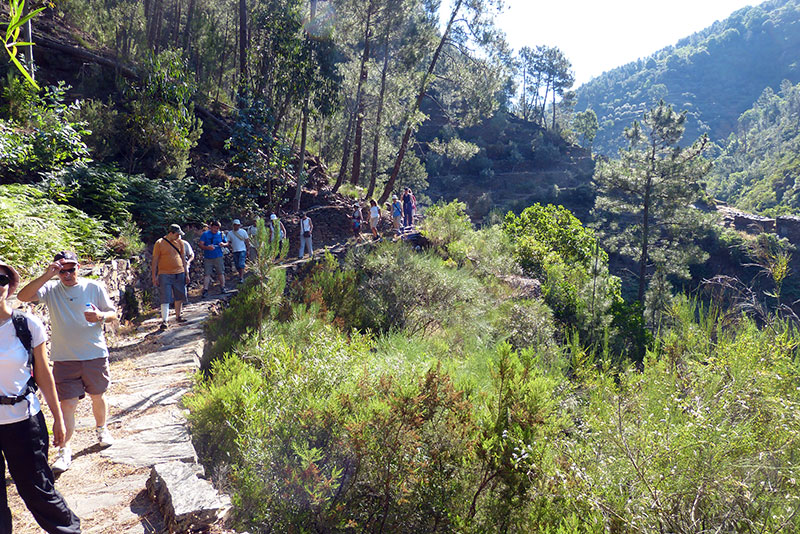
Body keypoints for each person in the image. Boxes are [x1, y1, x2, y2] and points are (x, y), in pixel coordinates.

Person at [0, 259, 82, 533]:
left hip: (23, 421)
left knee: (37, 488)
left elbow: (44, 375)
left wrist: (58, 419)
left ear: (9, 287)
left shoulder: (26, 325)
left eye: (1, 280)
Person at [17, 251, 117, 475]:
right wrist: (46, 275)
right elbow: (23, 297)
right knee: (67, 405)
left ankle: (102, 430)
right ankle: (65, 450)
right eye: (62, 270)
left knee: (98, 396)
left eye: (71, 269)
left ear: (78, 268)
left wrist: (100, 316)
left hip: (94, 354)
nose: (67, 274)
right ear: (57, 271)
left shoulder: (94, 287)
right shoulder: (51, 290)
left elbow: (113, 313)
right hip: (64, 358)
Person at [151, 224, 190, 329]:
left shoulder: (180, 242)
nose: (178, 236)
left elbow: (183, 258)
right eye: (177, 234)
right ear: (171, 233)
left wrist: (186, 273)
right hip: (164, 273)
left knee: (179, 295)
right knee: (165, 296)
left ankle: (178, 316)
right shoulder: (159, 243)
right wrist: (154, 276)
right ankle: (165, 320)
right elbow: (155, 260)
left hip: (179, 272)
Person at [198, 221, 228, 297]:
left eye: (217, 228)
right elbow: (200, 244)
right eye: (214, 228)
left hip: (218, 256)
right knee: (207, 274)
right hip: (208, 257)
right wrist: (207, 247)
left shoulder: (221, 234)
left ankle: (223, 287)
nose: (216, 230)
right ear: (211, 227)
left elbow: (227, 243)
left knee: (220, 272)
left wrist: (223, 244)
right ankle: (205, 290)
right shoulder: (205, 234)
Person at [226, 219, 250, 284]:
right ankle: (240, 275)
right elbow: (228, 242)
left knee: (241, 264)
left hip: (242, 250)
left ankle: (241, 277)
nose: (237, 226)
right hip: (235, 251)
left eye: (238, 225)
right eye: (235, 225)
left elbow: (247, 241)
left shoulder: (243, 232)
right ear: (233, 225)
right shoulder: (230, 233)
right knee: (237, 265)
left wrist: (248, 249)